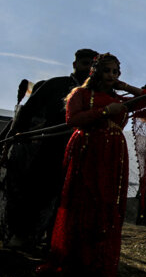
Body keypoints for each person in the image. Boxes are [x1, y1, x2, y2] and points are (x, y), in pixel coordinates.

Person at [37, 53, 146, 277]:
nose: (112, 75)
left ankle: (98, 260)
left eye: (116, 72)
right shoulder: (80, 94)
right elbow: (73, 120)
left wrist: (124, 87)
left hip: (113, 155)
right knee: (84, 199)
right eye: (108, 71)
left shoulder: (121, 98)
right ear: (96, 72)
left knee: (105, 204)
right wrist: (104, 112)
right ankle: (74, 260)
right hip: (88, 149)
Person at [3, 48, 97, 250]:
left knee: (71, 197)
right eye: (84, 63)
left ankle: (56, 241)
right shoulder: (56, 85)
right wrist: (12, 137)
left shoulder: (97, 94)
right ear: (75, 64)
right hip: (51, 147)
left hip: (83, 150)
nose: (88, 68)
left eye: (92, 65)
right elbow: (27, 112)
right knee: (38, 191)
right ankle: (22, 235)